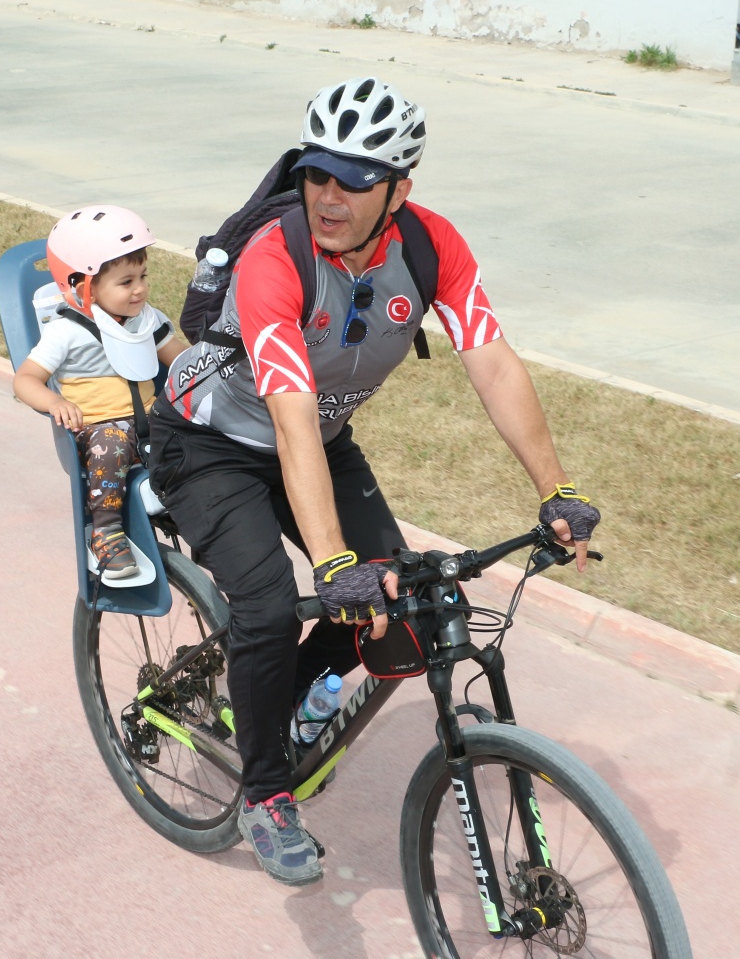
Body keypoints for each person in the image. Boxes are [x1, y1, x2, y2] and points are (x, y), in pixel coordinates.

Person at [148, 77, 601, 885]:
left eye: (353, 182)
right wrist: (329, 562)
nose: (328, 196)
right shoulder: (274, 257)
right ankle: (264, 794)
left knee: (407, 609)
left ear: (398, 190)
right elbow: (286, 413)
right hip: (211, 441)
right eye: (316, 174)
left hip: (319, 440)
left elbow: (492, 362)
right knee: (267, 603)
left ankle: (266, 699)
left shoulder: (430, 248)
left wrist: (554, 491)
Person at [14, 206, 186, 581]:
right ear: (82, 287)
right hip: (97, 429)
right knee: (110, 444)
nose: (140, 288)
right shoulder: (66, 332)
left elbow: (182, 363)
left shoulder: (146, 320)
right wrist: (55, 402)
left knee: (196, 432)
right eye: (126, 282)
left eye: (143, 276)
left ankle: (194, 511)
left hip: (148, 420)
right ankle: (106, 534)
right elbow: (25, 379)